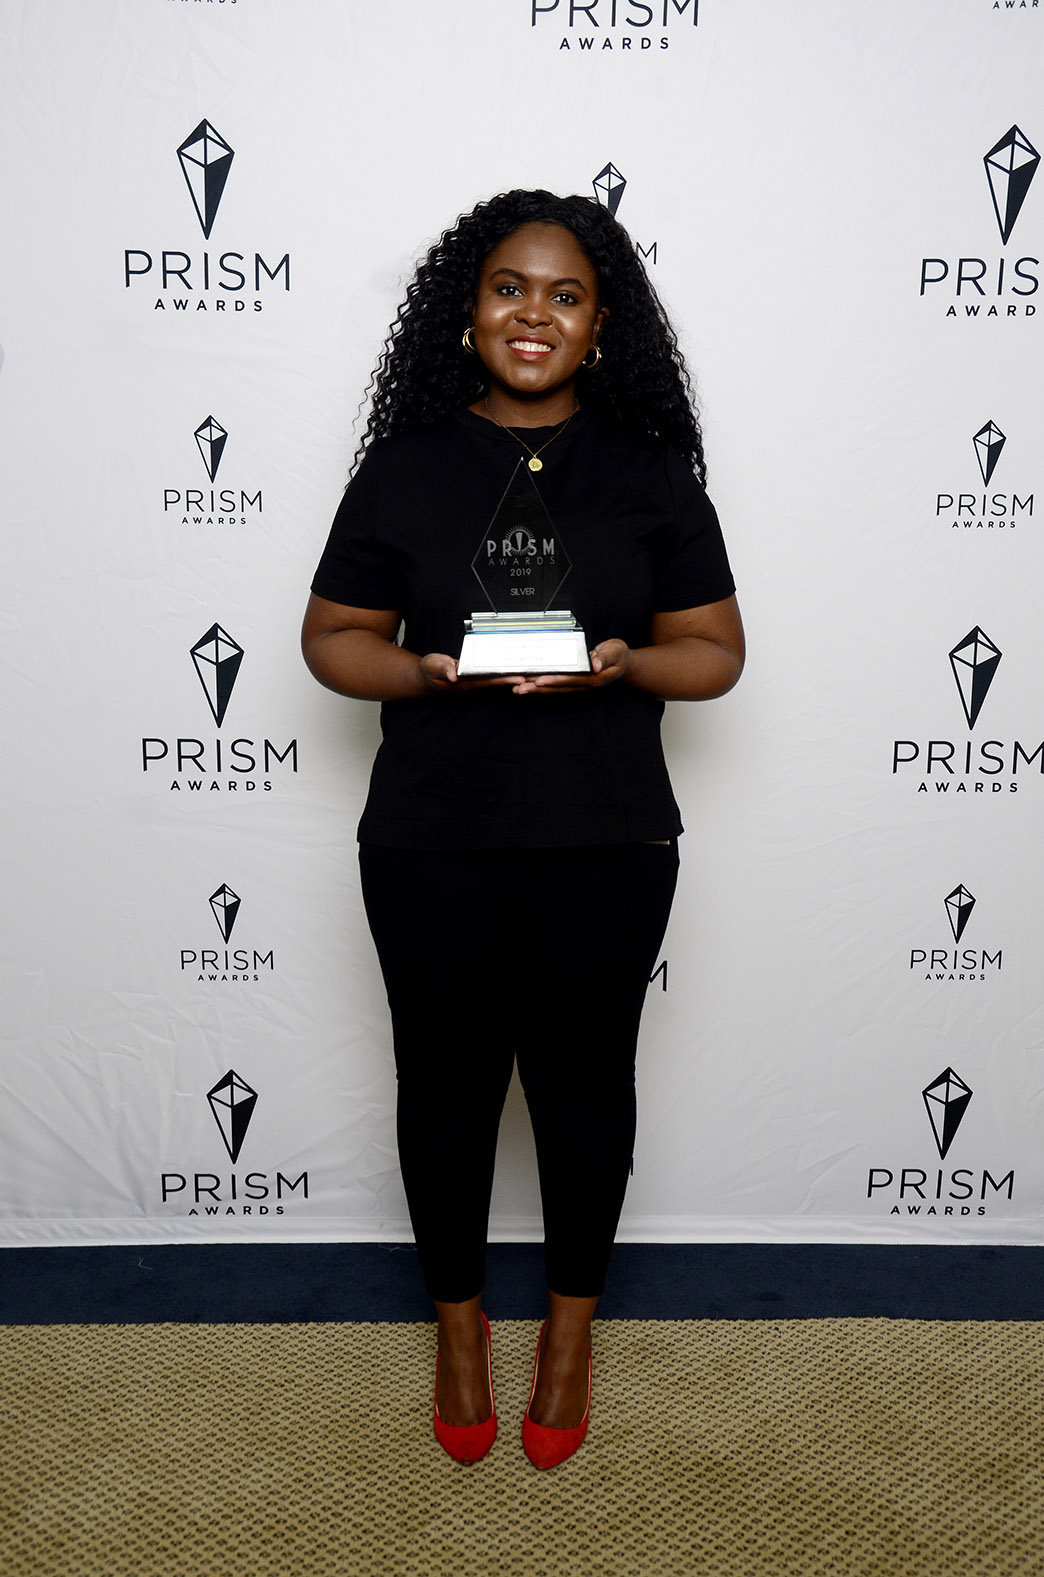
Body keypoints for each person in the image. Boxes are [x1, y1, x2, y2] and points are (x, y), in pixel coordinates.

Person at [302, 189, 744, 1469]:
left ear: (601, 325)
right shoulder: (405, 467)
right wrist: (422, 670)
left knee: (586, 1090)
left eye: (565, 293)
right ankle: (458, 1331)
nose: (533, 314)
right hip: (431, 837)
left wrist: (624, 662)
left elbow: (715, 653)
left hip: (608, 838)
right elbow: (333, 639)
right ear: (468, 311)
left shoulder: (651, 472)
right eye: (509, 287)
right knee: (442, 1090)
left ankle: (566, 1336)